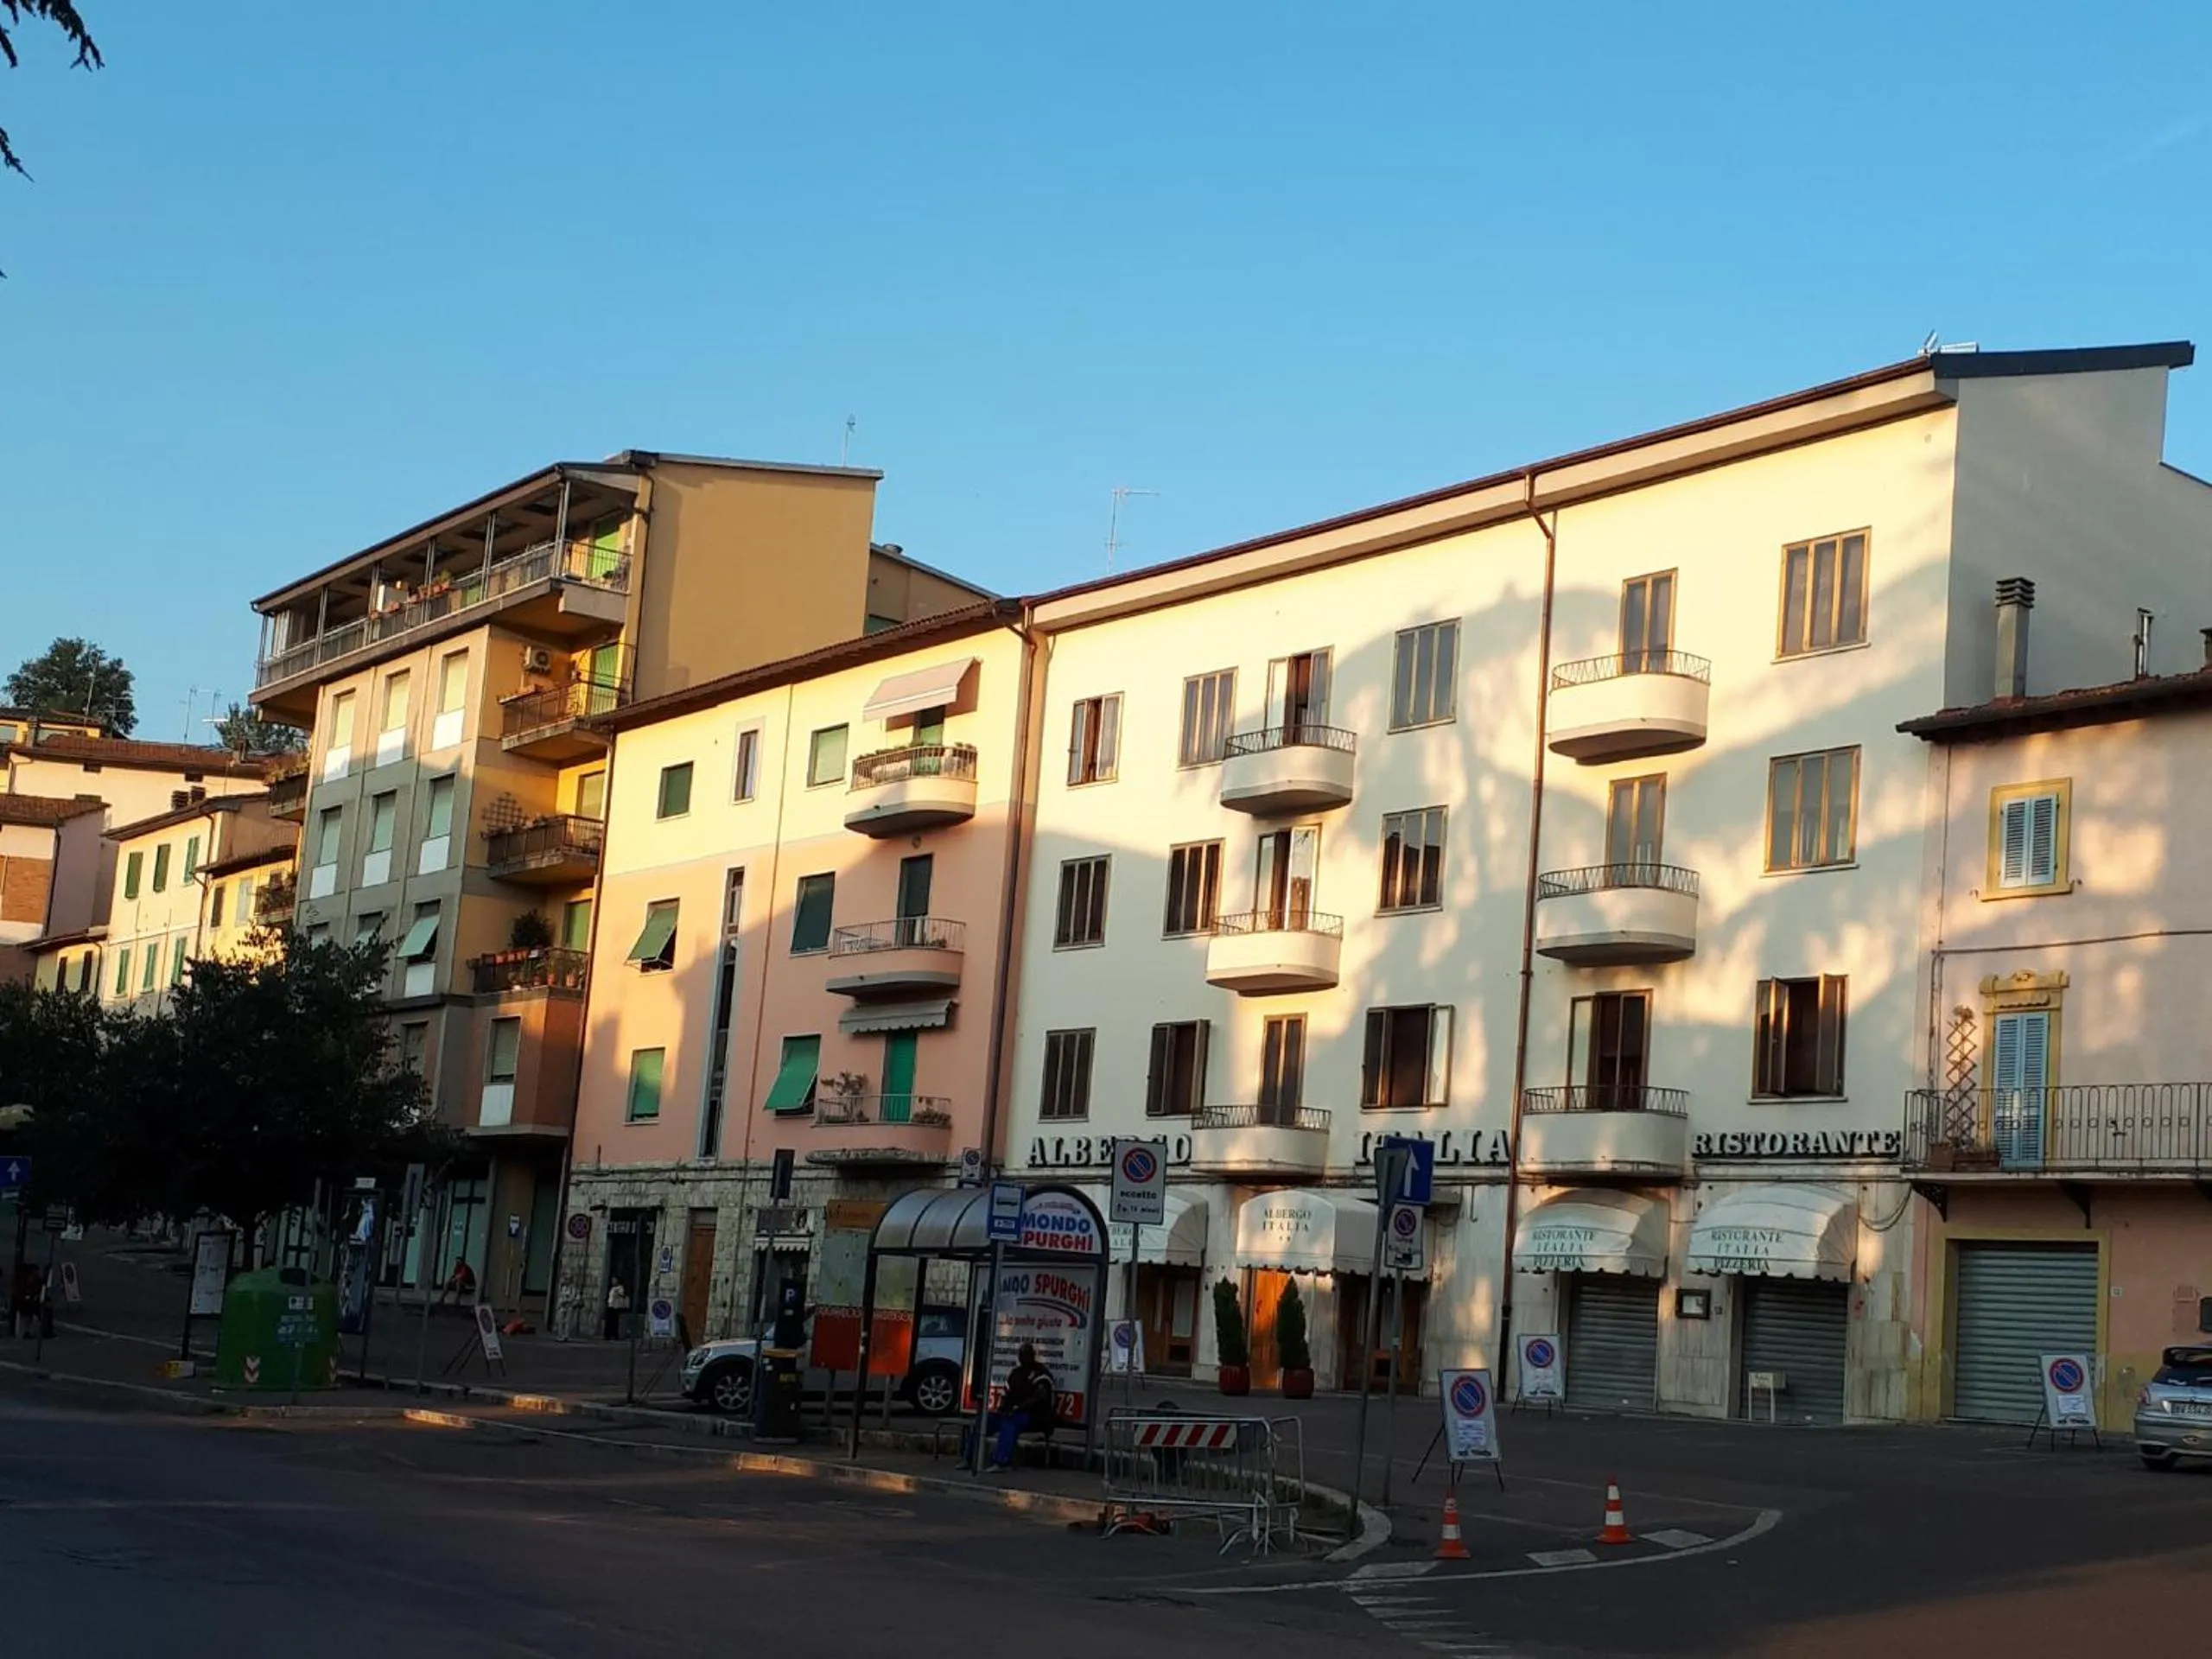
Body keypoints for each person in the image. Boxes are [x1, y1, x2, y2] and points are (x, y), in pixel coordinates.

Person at [988, 1342, 1057, 1471]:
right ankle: (970, 1459)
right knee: (985, 1420)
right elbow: (1006, 1394)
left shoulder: (1041, 1373)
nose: (1023, 1358)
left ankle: (1001, 1462)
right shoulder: (1015, 1373)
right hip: (1011, 1412)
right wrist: (1002, 1408)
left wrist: (1018, 1407)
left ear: (1033, 1356)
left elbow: (1040, 1397)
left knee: (1010, 1424)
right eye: (1021, 1355)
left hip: (1035, 1416)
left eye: (1026, 1355)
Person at [604, 1275, 631, 1341]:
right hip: (611, 1306)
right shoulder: (612, 1288)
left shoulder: (620, 1288)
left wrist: (618, 1294)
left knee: (614, 1322)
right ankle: (608, 1335)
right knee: (608, 1322)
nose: (613, 1281)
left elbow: (622, 1295)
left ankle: (614, 1335)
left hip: (616, 1307)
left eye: (614, 1280)